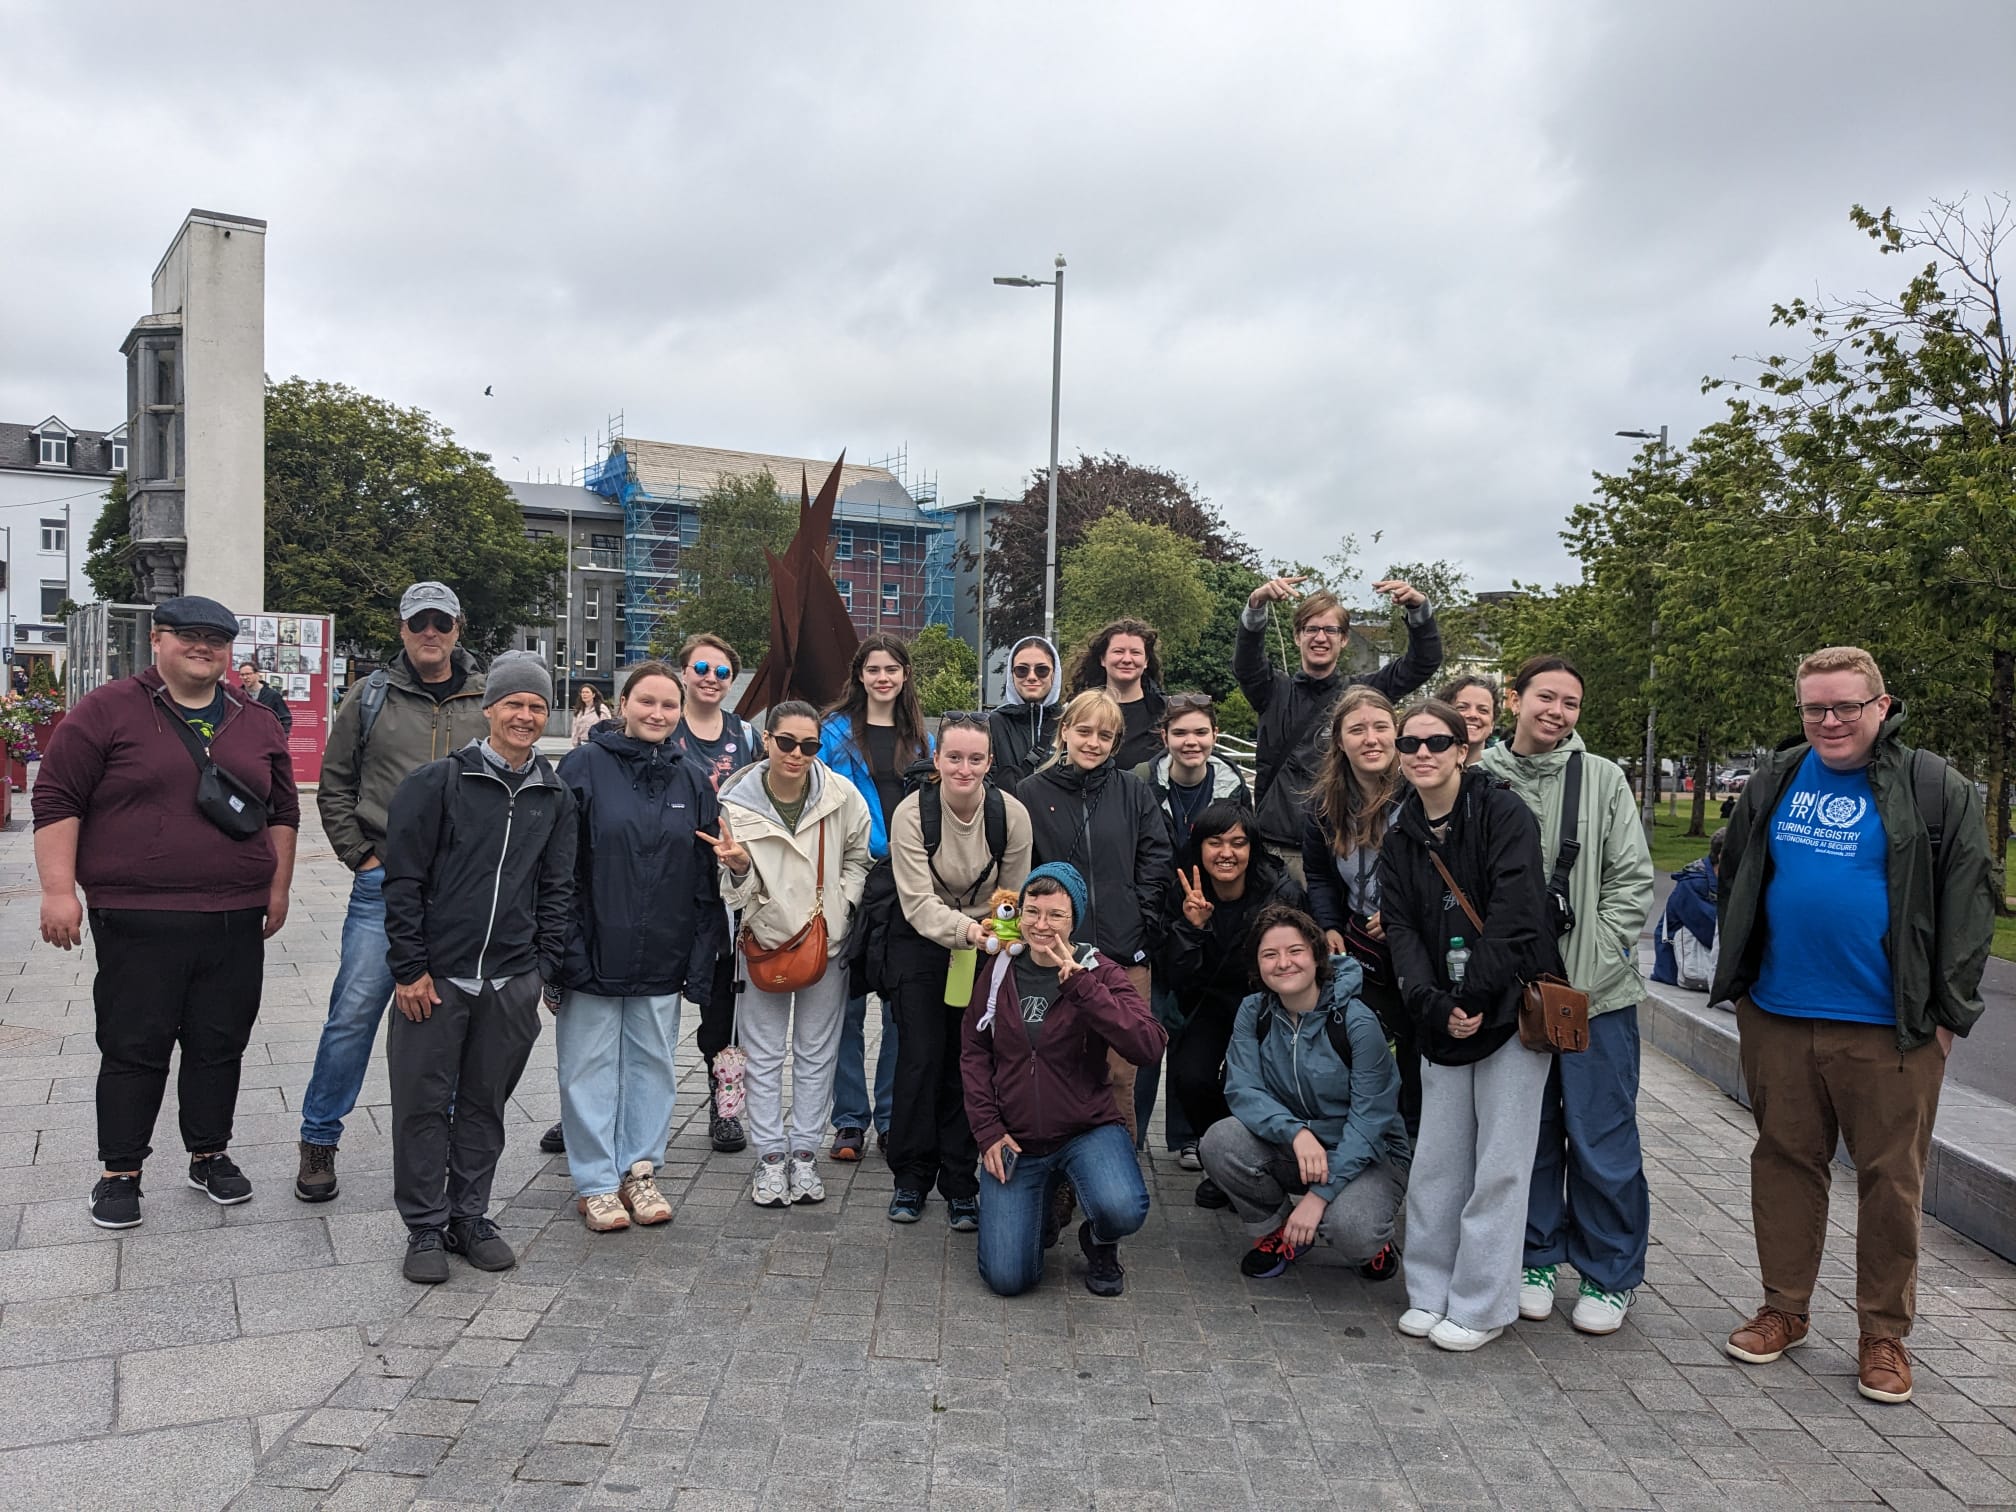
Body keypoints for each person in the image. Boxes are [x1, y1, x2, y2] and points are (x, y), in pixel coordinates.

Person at [1716, 647, 1993, 1405]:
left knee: (1891, 1180)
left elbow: (1971, 903)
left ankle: (1883, 1334)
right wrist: (1739, 980)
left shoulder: (1932, 785)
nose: (1830, 721)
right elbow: (1735, 866)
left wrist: (1947, 1017)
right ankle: (1784, 1309)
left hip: (1890, 1026)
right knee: (1784, 1162)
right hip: (1777, 1012)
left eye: (1845, 706)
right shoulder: (1777, 775)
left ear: (1882, 705)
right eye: (1815, 708)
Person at [35, 596, 299, 1229]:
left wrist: (279, 887)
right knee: (134, 1044)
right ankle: (119, 1171)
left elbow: (283, 811)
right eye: (189, 635)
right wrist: (56, 890)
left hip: (234, 916)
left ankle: (209, 1153)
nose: (203, 646)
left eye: (217, 638)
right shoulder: (108, 710)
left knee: (219, 1043)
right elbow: (56, 795)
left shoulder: (255, 718)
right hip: (137, 915)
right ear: (158, 639)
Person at [381, 652, 577, 1283]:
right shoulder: (438, 782)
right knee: (421, 1103)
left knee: (484, 1104)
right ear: (488, 708)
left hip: (509, 980)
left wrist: (540, 970)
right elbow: (404, 881)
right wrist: (410, 968)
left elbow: (558, 887)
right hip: (435, 980)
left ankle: (471, 1215)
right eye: (514, 703)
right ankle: (424, 1226)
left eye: (537, 706)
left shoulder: (555, 794)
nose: (525, 715)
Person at [1478, 657, 1656, 1337]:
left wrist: (1590, 967)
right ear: (1513, 700)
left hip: (1593, 995)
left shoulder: (1604, 779)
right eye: (1545, 697)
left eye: (1571, 702)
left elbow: (1630, 882)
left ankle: (1611, 1272)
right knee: (1532, 1130)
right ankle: (1536, 1255)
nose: (1556, 711)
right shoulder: (1482, 779)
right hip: (1511, 991)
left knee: (1601, 1134)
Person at [298, 581, 488, 1202]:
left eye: (440, 621)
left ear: (458, 626)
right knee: (353, 1014)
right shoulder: (371, 694)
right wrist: (362, 856)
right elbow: (335, 783)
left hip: (460, 888)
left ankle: (451, 1142)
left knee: (455, 1017)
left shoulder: (486, 698)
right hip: (384, 881)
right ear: (401, 629)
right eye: (418, 623)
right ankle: (319, 1137)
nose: (429, 632)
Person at [1380, 699, 1556, 1352]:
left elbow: (1517, 911)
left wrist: (1475, 993)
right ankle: (1429, 1290)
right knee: (1437, 1161)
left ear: (1462, 748)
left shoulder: (1503, 814)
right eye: (1410, 743)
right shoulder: (1401, 831)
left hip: (1507, 1010)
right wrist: (1431, 1000)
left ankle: (1482, 1304)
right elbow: (1399, 927)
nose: (1421, 753)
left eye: (1436, 741)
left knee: (1499, 1166)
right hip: (1439, 1016)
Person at [553, 662, 725, 1233]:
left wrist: (701, 952)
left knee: (653, 1064)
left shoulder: (691, 780)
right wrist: (563, 948)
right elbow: (559, 867)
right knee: (589, 1066)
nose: (657, 714)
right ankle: (597, 1182)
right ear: (622, 704)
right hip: (595, 945)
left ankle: (640, 1168)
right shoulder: (582, 767)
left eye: (668, 706)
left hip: (662, 949)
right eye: (646, 702)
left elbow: (705, 876)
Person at [962, 864, 1165, 1297]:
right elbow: (974, 1053)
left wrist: (1084, 988)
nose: (1041, 925)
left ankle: (1100, 1240)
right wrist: (987, 1131)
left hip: (1085, 1129)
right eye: (1031, 912)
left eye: (1055, 914)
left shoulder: (1101, 971)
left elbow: (1148, 1045)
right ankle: (1043, 1203)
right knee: (1007, 1279)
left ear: (1075, 918)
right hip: (1016, 1137)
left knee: (1123, 1208)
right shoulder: (1000, 970)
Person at [705, 702, 874, 1209]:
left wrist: (841, 909)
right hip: (763, 939)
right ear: (766, 739)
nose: (797, 754)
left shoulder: (841, 795)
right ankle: (770, 1156)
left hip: (826, 937)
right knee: (762, 1052)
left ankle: (804, 1152)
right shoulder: (734, 798)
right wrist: (738, 869)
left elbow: (859, 859)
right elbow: (727, 886)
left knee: (818, 1050)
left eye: (809, 745)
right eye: (787, 743)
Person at [1199, 905, 1410, 1280]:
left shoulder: (1356, 1022)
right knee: (1219, 1142)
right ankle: (1278, 1231)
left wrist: (1319, 1198)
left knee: (1351, 1229)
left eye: (1294, 951)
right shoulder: (1255, 1011)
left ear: (1317, 954)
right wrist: (1295, 1132)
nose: (1284, 963)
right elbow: (1242, 1088)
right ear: (1257, 965)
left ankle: (1373, 1246)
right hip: (1299, 1148)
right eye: (1270, 954)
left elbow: (1369, 1123)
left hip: (1369, 1156)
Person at [884, 713, 1033, 1225]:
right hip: (922, 940)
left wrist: (996, 939)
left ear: (990, 762)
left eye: (975, 759)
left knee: (969, 1063)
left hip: (986, 943)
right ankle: (909, 1177)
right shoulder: (911, 814)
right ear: (937, 760)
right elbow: (917, 901)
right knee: (920, 1058)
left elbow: (1012, 897)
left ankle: (960, 1181)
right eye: (954, 758)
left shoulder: (1011, 815)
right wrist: (967, 932)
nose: (964, 769)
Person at [1017, 689, 1172, 1143]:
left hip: (1123, 955)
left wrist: (1138, 916)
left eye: (1105, 735)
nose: (1092, 742)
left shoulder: (1133, 790)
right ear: (1064, 731)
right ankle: (1057, 1172)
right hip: (1056, 955)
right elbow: (1021, 867)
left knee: (1121, 1074)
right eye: (1083, 730)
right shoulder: (1029, 793)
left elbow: (1156, 858)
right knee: (1057, 1065)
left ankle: (1117, 1171)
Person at [1234, 576, 1442, 883]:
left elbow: (1422, 663)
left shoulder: (1363, 695)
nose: (1321, 637)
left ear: (1344, 639)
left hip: (1341, 849)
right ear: (1297, 637)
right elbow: (1246, 663)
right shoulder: (1272, 692)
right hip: (1275, 852)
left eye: (1330, 630)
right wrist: (1256, 605)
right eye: (1311, 629)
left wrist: (1419, 610)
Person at [1160, 802, 1309, 1203]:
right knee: (1192, 1078)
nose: (1227, 853)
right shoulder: (1183, 889)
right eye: (1216, 842)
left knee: (1254, 1084)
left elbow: (1298, 964)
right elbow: (1177, 974)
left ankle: (1265, 1166)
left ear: (1253, 848)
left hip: (1267, 1003)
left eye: (1239, 843)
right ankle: (1226, 1163)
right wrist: (1193, 929)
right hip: (1208, 999)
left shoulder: (1280, 891)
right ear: (1199, 848)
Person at [819, 632, 931, 1164]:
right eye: (873, 669)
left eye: (892, 669)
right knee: (846, 1005)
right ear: (859, 675)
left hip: (905, 879)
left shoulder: (920, 736)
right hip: (852, 873)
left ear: (905, 675)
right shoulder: (834, 732)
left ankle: (890, 1116)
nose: (882, 677)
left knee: (898, 1004)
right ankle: (849, 1119)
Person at [1130, 690, 1251, 1156]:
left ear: (1215, 735)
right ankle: (1132, 1136)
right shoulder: (1143, 782)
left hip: (1207, 921)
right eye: (1180, 732)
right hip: (1156, 916)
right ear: (1164, 737)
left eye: (1201, 732)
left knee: (1191, 1032)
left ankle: (1185, 1138)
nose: (1191, 741)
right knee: (1147, 1032)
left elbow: (1240, 852)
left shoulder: (1233, 784)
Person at [1301, 686, 1420, 1135]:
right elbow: (1318, 873)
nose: (1371, 739)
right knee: (1355, 1045)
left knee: (1415, 1052)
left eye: (1381, 727)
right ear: (1339, 741)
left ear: (1397, 733)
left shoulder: (1419, 794)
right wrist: (1328, 924)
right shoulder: (1324, 804)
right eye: (1357, 729)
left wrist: (1401, 915)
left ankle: (1412, 1146)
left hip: (1416, 945)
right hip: (1358, 944)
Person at [672, 633, 765, 1155]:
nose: (711, 678)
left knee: (723, 1010)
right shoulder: (663, 723)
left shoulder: (747, 736)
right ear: (684, 672)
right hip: (668, 885)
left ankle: (724, 1106)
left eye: (722, 671)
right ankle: (597, 1114)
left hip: (728, 889)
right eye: (701, 668)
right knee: (645, 1005)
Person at [1070, 619, 1168, 770]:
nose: (1127, 659)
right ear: (1103, 659)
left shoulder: (1165, 713)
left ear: (1146, 661)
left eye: (1135, 652)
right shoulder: (1079, 711)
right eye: (1118, 651)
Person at [1651, 828, 1726, 991]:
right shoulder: (1693, 884)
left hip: (1698, 968)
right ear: (1722, 856)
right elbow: (1714, 933)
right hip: (1676, 970)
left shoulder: (1721, 883)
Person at [988, 634, 1062, 788]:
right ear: (1011, 674)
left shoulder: (1069, 721)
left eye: (1042, 670)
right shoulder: (992, 723)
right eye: (1022, 670)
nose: (1032, 677)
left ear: (1054, 674)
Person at [1439, 674, 1500, 764]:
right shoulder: (1425, 766)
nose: (1472, 715)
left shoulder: (1505, 773)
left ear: (1492, 724)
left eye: (1483, 710)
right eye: (1462, 707)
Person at [237, 659, 293, 734]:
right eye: (242, 675)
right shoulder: (237, 695)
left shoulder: (273, 695)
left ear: (257, 674)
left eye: (248, 674)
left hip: (266, 740)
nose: (245, 677)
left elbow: (285, 719)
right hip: (243, 740)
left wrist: (280, 739)